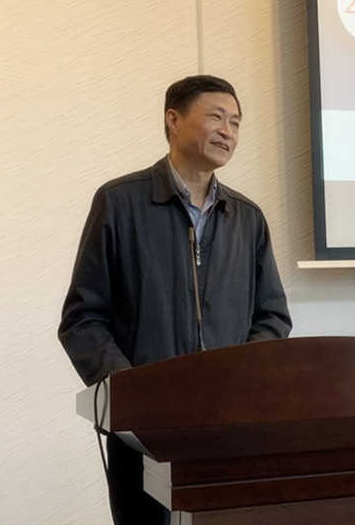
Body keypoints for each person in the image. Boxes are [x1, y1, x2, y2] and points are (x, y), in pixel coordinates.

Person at [58, 75, 292, 524]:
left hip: (229, 423)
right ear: (173, 119)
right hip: (143, 429)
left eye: (236, 122)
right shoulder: (120, 203)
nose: (228, 131)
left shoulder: (247, 218)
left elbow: (272, 316)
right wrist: (133, 392)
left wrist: (244, 379)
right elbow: (83, 318)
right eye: (216, 117)